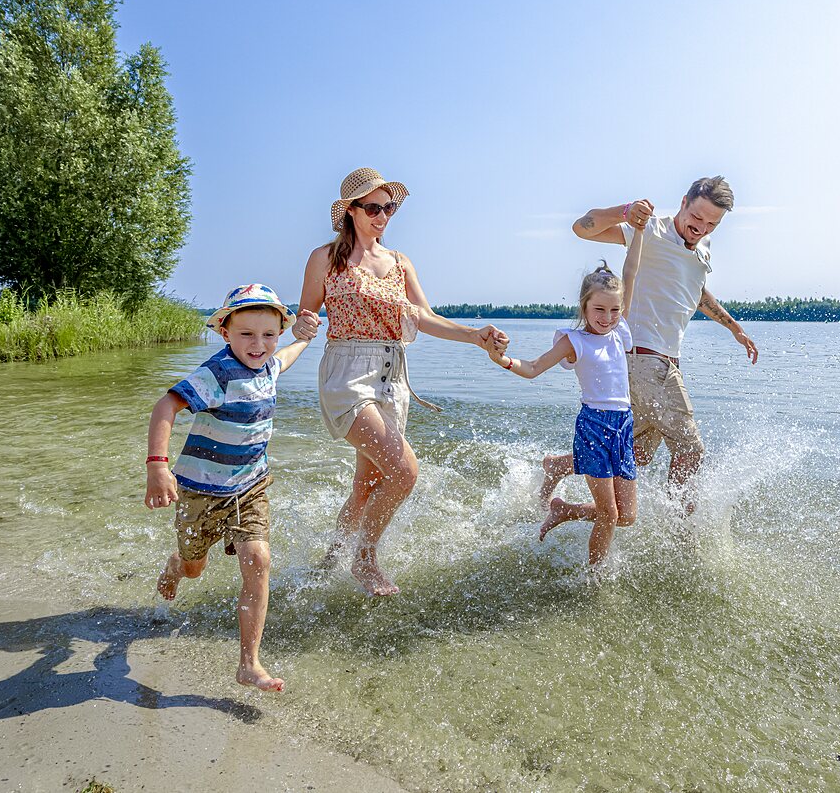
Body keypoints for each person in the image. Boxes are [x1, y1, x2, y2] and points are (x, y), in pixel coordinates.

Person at [294, 167, 508, 596]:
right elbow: (308, 311)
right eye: (373, 207)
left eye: (388, 207)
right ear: (350, 212)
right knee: (406, 472)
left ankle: (330, 560)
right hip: (347, 373)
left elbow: (424, 317)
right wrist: (302, 324)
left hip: (393, 377)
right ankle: (364, 559)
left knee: (366, 486)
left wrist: (475, 335)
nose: (383, 216)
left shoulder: (400, 262)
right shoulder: (325, 258)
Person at [540, 177, 759, 515]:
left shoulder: (702, 249)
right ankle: (680, 530)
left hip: (661, 365)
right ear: (684, 202)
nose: (701, 227)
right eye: (697, 217)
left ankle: (562, 476)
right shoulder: (652, 231)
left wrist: (734, 328)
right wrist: (626, 212)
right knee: (690, 449)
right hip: (644, 360)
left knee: (636, 454)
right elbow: (582, 228)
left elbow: (695, 292)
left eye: (712, 223)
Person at [144, 284, 318, 692]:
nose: (258, 345)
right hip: (200, 492)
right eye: (246, 334)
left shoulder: (269, 363)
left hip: (250, 487)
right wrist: (157, 467)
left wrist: (303, 340)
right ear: (225, 332)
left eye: (268, 335)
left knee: (258, 560)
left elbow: (284, 359)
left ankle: (249, 664)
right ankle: (176, 565)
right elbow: (166, 406)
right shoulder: (217, 373)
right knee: (194, 567)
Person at [487, 222, 645, 565]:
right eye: (599, 310)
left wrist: (639, 232)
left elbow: (631, 272)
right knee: (610, 515)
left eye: (614, 310)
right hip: (594, 425)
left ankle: (564, 507)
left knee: (627, 515)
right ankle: (593, 579)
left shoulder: (620, 331)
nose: (607, 317)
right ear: (584, 307)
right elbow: (532, 368)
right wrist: (501, 359)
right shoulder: (574, 341)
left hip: (623, 426)